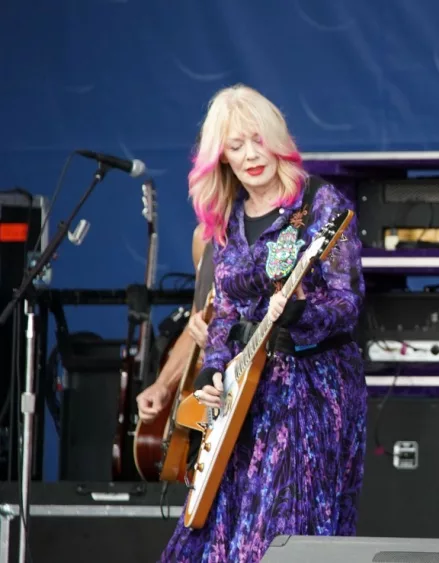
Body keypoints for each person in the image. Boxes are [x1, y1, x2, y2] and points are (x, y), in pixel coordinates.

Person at [159, 84, 367, 563]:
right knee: (209, 535)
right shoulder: (226, 220)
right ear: (221, 157)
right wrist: (212, 371)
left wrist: (297, 315)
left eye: (258, 140)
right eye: (236, 146)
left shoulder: (320, 205)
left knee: (279, 533)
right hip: (240, 398)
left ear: (277, 139)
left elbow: (347, 302)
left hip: (311, 391)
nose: (251, 155)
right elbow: (227, 313)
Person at [135, 225, 213, 423]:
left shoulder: (279, 231)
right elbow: (196, 324)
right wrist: (162, 384)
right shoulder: (204, 237)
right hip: (218, 399)